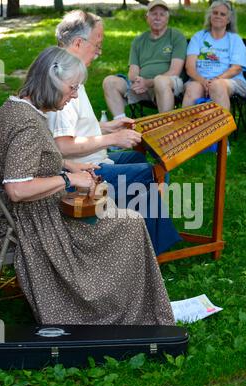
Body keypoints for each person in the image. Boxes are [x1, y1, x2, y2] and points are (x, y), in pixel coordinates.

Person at [0, 46, 175, 326]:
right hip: (34, 221)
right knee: (129, 222)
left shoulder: (16, 108)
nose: (75, 95)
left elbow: (26, 162)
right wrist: (68, 180)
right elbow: (17, 189)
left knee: (114, 210)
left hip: (34, 210)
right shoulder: (27, 126)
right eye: (72, 88)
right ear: (50, 82)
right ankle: (117, 311)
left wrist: (69, 166)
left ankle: (133, 298)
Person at [47, 10, 181, 256]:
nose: (99, 52)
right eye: (97, 46)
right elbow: (62, 145)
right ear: (78, 43)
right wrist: (112, 139)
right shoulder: (62, 78)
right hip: (79, 172)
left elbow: (72, 129)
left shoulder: (68, 70)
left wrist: (107, 128)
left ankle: (132, 239)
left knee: (140, 161)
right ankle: (152, 251)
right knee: (153, 174)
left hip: (92, 160)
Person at [102, 0, 187, 117]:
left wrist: (148, 82)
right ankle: (121, 123)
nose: (157, 17)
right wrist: (138, 82)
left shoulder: (176, 36)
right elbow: (133, 71)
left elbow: (175, 71)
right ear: (147, 17)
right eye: (153, 14)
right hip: (142, 86)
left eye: (162, 14)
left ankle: (167, 127)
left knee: (160, 81)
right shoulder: (138, 41)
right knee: (110, 81)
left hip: (169, 85)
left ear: (167, 19)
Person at [182, 0, 246, 111]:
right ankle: (187, 127)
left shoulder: (235, 39)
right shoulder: (198, 37)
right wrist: (203, 81)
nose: (218, 16)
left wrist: (215, 80)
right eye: (215, 13)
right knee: (193, 88)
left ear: (228, 20)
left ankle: (222, 128)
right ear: (210, 16)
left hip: (231, 81)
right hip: (199, 80)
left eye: (222, 14)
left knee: (217, 86)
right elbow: (189, 68)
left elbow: (236, 68)